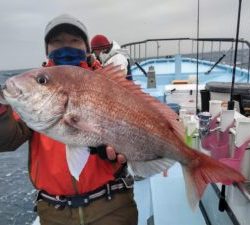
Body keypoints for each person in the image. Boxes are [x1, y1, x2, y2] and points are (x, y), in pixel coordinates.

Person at [0, 14, 138, 225]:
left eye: (74, 40)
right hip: (55, 212)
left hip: (113, 205)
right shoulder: (34, 92)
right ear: (47, 49)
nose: (66, 47)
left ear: (86, 46)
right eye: (57, 41)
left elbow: (139, 124)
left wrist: (127, 147)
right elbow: (6, 140)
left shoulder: (109, 82)